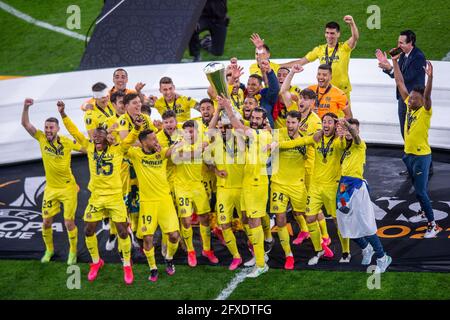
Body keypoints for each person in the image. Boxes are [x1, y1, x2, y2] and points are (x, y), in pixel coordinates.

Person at [58, 100, 141, 285]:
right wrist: (63, 115)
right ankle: (96, 262)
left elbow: (129, 139)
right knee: (88, 230)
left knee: (122, 232)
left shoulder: (118, 150)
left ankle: (127, 264)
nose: (96, 139)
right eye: (94, 137)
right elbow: (75, 133)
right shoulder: (89, 148)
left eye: (99, 137)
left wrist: (136, 128)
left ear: (107, 138)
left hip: (114, 197)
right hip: (96, 197)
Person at [278, 113, 349, 265]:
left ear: (335, 125)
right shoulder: (317, 138)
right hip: (315, 187)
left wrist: (344, 134)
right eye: (324, 122)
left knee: (338, 221)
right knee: (310, 218)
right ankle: (319, 250)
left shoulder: (338, 140)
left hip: (332, 187)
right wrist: (277, 145)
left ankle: (345, 252)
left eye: (330, 122)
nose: (326, 125)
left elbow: (344, 144)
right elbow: (299, 141)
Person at [21, 98, 85, 265]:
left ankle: (72, 251)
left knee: (68, 222)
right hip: (50, 189)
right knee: (46, 222)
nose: (48, 130)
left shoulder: (66, 141)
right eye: (46, 127)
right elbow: (26, 124)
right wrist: (26, 107)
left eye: (51, 127)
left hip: (68, 189)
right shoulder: (41, 138)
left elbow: (85, 148)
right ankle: (49, 250)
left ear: (58, 129)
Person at [219, 96, 272, 278]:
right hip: (247, 183)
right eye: (254, 118)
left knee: (254, 222)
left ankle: (261, 263)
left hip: (257, 184)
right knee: (247, 220)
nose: (255, 120)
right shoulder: (256, 134)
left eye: (258, 118)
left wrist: (227, 107)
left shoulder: (263, 134)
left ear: (264, 121)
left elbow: (238, 127)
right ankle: (259, 254)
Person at [392, 58, 442, 238]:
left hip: (421, 157)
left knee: (420, 191)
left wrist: (430, 78)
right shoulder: (410, 106)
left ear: (422, 100)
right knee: (417, 188)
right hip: (409, 155)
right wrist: (394, 62)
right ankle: (422, 212)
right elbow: (399, 82)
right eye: (410, 97)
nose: (410, 99)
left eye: (414, 98)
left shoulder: (425, 110)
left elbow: (427, 96)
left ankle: (432, 225)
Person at [336, 118, 392, 273]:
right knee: (345, 225)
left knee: (366, 225)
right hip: (343, 188)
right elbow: (341, 138)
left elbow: (354, 134)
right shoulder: (345, 147)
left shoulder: (360, 145)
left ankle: (382, 257)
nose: (348, 132)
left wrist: (347, 126)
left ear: (358, 131)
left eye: (351, 129)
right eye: (347, 129)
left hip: (357, 188)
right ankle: (366, 248)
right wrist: (341, 131)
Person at [126, 129, 181, 282]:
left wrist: (178, 141)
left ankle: (169, 258)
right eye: (152, 139)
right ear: (143, 142)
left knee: (174, 235)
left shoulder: (161, 152)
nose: (156, 141)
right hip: (147, 203)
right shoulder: (136, 154)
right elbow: (124, 144)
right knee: (148, 238)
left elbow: (171, 151)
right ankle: (153, 268)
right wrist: (135, 139)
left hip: (165, 200)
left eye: (156, 138)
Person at [376, 30, 428, 176]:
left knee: (415, 135)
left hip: (415, 102)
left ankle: (424, 167)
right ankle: (413, 165)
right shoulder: (404, 55)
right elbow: (398, 75)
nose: (398, 45)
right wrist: (388, 66)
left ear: (411, 43)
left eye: (401, 43)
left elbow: (406, 78)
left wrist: (391, 67)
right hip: (403, 99)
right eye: (398, 42)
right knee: (405, 133)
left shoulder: (418, 57)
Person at [268, 111, 315, 270]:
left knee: (308, 216)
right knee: (280, 219)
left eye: (293, 123)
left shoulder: (304, 139)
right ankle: (288, 255)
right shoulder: (278, 133)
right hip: (278, 184)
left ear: (299, 123)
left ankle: (320, 245)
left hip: (297, 184)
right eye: (288, 122)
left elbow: (310, 158)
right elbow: (272, 148)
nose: (289, 126)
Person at [172, 120, 219, 267]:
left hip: (197, 185)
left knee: (204, 218)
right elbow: (183, 156)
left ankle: (206, 250)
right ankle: (191, 251)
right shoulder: (179, 143)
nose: (189, 134)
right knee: (186, 220)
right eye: (186, 131)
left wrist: (217, 170)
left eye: (192, 131)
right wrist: (199, 149)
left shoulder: (201, 141)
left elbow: (210, 129)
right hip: (182, 187)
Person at [205, 106, 246, 270]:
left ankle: (255, 247)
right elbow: (207, 160)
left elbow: (241, 126)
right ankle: (236, 256)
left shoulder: (241, 138)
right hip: (223, 190)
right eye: (221, 127)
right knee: (224, 224)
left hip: (242, 188)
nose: (223, 130)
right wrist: (215, 169)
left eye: (227, 127)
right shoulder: (215, 142)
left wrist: (229, 111)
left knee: (247, 222)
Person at [282, 16, 359, 100]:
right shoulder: (319, 50)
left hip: (342, 91)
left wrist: (352, 24)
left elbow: (355, 38)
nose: (329, 36)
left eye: (332, 33)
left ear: (338, 34)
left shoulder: (344, 48)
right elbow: (301, 62)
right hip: (325, 91)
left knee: (345, 114)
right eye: (327, 33)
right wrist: (279, 66)